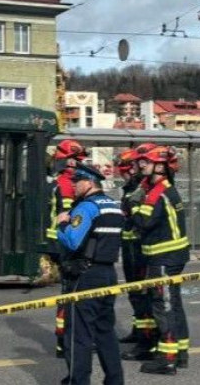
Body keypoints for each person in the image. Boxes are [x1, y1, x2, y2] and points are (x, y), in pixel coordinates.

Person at [56, 163, 126, 385]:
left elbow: (73, 241)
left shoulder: (86, 207)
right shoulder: (113, 206)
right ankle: (115, 381)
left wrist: (61, 225)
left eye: (76, 182)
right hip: (108, 274)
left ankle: (78, 381)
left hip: (85, 276)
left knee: (78, 335)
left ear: (88, 183)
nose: (73, 186)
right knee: (105, 332)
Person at [132, 145, 191, 375]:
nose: (140, 165)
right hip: (170, 256)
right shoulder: (164, 188)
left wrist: (133, 203)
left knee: (163, 305)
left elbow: (143, 222)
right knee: (173, 304)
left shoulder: (157, 192)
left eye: (145, 162)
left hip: (164, 257)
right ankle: (180, 352)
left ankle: (166, 359)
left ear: (160, 166)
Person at [47, 139, 87, 358]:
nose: (76, 165)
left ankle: (63, 340)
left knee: (67, 293)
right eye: (74, 161)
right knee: (71, 294)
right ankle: (66, 341)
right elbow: (74, 219)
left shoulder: (57, 181)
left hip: (58, 242)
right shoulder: (66, 184)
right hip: (67, 244)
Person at [117, 144, 157, 358]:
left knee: (142, 294)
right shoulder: (131, 186)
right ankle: (138, 330)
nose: (126, 171)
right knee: (134, 292)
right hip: (130, 244)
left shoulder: (140, 187)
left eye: (128, 166)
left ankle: (146, 339)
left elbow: (138, 215)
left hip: (139, 246)